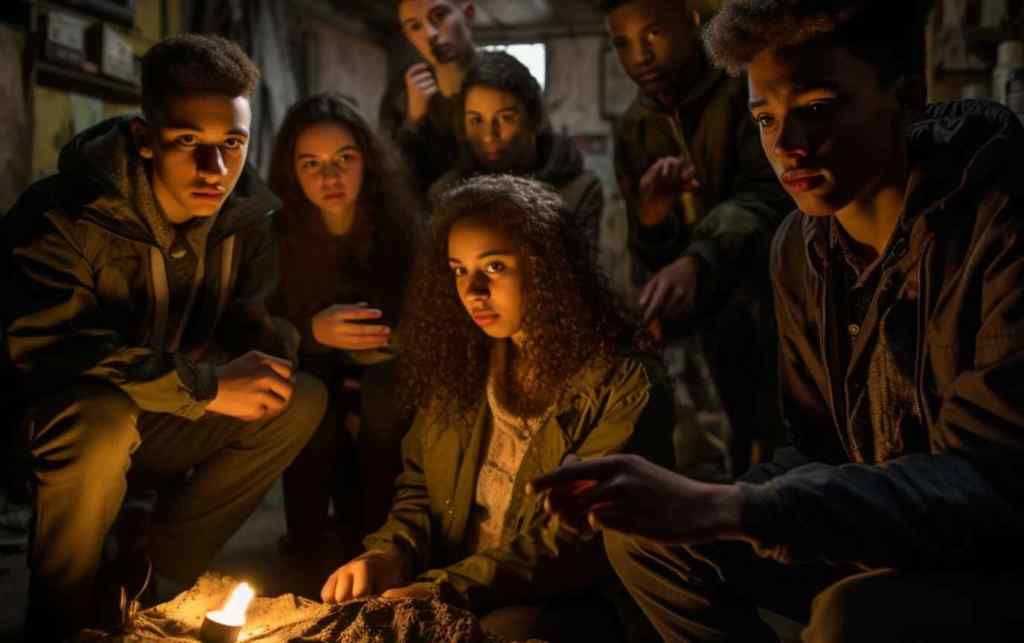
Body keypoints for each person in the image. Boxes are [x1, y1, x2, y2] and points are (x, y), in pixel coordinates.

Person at [531, 1, 1024, 641]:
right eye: (765, 119)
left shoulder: (997, 224)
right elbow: (818, 448)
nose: (786, 147)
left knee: (852, 616)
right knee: (646, 543)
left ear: (905, 98)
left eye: (817, 109)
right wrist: (692, 504)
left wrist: (732, 506)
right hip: (875, 525)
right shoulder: (801, 246)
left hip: (993, 548)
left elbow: (987, 486)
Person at [2, 35, 327, 640]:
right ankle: (60, 614)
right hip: (56, 422)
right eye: (188, 143)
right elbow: (50, 352)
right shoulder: (65, 215)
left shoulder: (246, 217)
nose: (217, 170)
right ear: (146, 138)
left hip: (169, 409)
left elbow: (251, 322)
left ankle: (147, 577)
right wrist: (205, 387)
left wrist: (276, 347)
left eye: (233, 144)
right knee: (99, 421)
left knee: (297, 397)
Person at [320, 175, 674, 642]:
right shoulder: (463, 362)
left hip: (567, 598)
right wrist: (387, 555)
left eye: (494, 268)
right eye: (458, 270)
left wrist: (442, 589)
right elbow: (420, 490)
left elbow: (577, 541)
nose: (472, 291)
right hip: (451, 581)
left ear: (546, 268)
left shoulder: (624, 383)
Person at [601, 0, 794, 478]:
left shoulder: (743, 92)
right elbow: (652, 252)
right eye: (622, 44)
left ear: (690, 21)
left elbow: (771, 195)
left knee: (787, 445)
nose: (639, 56)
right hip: (710, 329)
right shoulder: (635, 129)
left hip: (782, 302)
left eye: (652, 34)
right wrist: (652, 221)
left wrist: (698, 260)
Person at [267, 94, 420, 570]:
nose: (329, 178)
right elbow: (255, 326)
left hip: (386, 369)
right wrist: (311, 332)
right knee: (308, 400)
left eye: (343, 160)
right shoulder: (275, 235)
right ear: (291, 170)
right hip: (310, 367)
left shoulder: (402, 226)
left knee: (384, 398)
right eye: (310, 163)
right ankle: (306, 545)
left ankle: (379, 543)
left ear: (367, 162)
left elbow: (431, 309)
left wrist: (402, 338)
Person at [430, 50, 604, 249]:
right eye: (476, 120)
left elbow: (584, 273)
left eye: (505, 118)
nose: (489, 136)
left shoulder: (578, 191)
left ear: (533, 118)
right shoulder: (447, 195)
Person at [380, 0, 478, 192]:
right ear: (408, 36)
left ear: (468, 14)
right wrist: (414, 119)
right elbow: (390, 176)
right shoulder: (401, 94)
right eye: (415, 26)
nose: (430, 34)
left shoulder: (503, 77)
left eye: (440, 16)